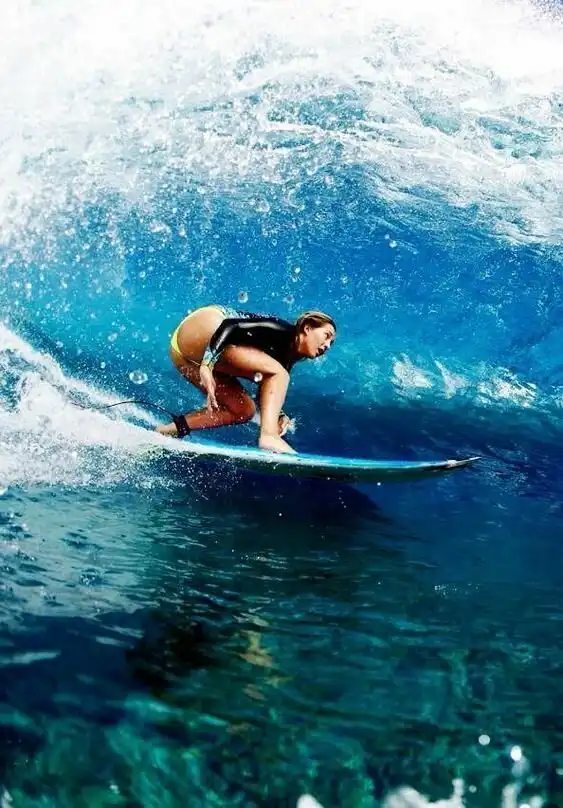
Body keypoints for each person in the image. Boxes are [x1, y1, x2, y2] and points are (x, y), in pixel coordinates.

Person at [156, 304, 336, 454]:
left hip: (181, 353)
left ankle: (169, 430)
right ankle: (269, 437)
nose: (327, 345)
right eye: (326, 336)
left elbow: (265, 390)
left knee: (243, 410)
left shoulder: (284, 363)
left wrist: (277, 415)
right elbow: (230, 326)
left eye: (331, 343)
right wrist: (206, 365)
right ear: (307, 328)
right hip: (206, 324)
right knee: (279, 374)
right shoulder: (280, 330)